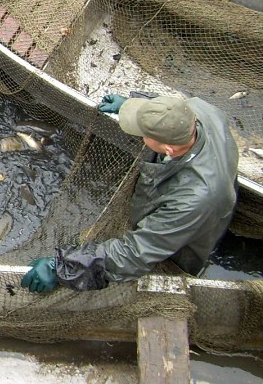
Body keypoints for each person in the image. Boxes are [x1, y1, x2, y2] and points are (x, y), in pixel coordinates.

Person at [21, 95, 238, 293]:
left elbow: (135, 254)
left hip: (193, 229)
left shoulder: (191, 200)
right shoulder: (198, 109)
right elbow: (168, 109)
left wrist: (62, 268)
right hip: (212, 181)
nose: (139, 133)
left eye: (144, 132)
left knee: (174, 256)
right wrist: (131, 105)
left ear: (168, 149)